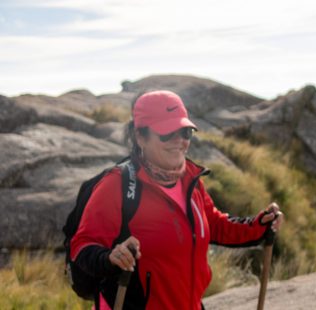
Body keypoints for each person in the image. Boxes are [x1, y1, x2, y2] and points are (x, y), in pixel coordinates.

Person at [70, 90, 284, 310]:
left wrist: (258, 226)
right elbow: (82, 245)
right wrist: (109, 258)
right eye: (166, 133)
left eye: (185, 132)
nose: (179, 141)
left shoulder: (190, 180)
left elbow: (214, 225)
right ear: (140, 137)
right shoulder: (118, 185)